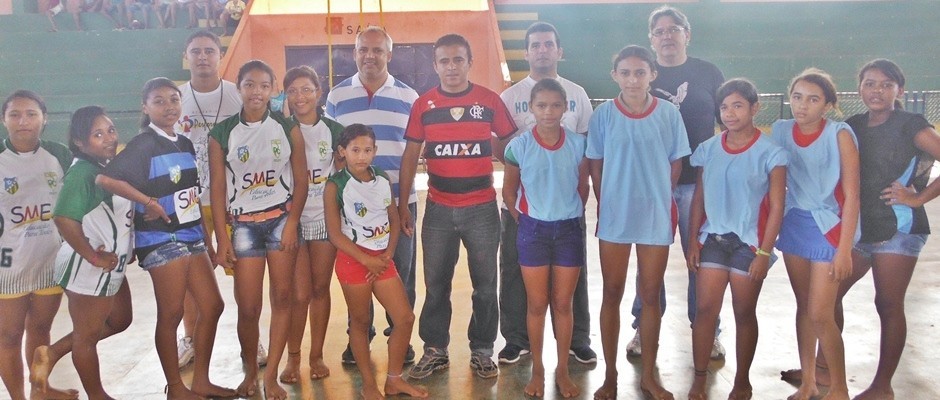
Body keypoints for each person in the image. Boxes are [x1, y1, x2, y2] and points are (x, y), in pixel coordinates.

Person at [782, 59, 940, 400]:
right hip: (857, 229)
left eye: (885, 84)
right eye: (870, 84)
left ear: (900, 89)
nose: (877, 90)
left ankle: (882, 386)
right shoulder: (850, 125)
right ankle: (820, 371)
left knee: (887, 302)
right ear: (859, 89)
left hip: (898, 228)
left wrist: (919, 197)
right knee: (825, 300)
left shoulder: (911, 124)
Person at [97, 77, 235, 399]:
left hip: (191, 236)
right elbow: (107, 178)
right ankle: (176, 387)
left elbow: (191, 195)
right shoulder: (143, 144)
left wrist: (207, 238)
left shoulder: (184, 144)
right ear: (145, 107)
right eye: (159, 101)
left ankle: (201, 380)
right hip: (160, 239)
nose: (168, 106)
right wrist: (147, 202)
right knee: (171, 314)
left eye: (174, 99)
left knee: (212, 306)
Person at [400, 33, 517, 380]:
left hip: (482, 208)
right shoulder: (423, 105)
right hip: (437, 208)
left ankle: (482, 350)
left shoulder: (489, 101)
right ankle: (435, 349)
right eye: (445, 61)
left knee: (485, 285)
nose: (452, 67)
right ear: (435, 65)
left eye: (458, 60)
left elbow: (511, 147)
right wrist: (401, 204)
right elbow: (410, 156)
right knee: (436, 285)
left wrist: (513, 192)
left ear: (469, 62)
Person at [626, 5, 727, 361]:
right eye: (659, 31)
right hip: (651, 185)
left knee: (701, 260)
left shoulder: (707, 73)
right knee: (648, 261)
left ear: (687, 34)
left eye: (674, 29)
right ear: (651, 40)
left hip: (698, 186)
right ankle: (644, 326)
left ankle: (707, 330)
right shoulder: (644, 76)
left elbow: (729, 122)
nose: (667, 36)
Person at [588, 45, 689, 400]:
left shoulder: (668, 114)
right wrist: (608, 200)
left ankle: (648, 375)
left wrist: (658, 195)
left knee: (650, 294)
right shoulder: (603, 116)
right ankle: (610, 376)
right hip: (615, 217)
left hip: (654, 217)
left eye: (640, 72)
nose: (633, 79)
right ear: (615, 75)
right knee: (612, 293)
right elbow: (595, 165)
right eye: (626, 72)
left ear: (652, 75)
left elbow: (676, 162)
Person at [496, 21, 596, 366]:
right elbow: (502, 148)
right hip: (526, 207)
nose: (542, 50)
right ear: (526, 52)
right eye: (535, 45)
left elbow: (587, 152)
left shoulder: (577, 94)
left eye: (548, 44)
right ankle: (516, 339)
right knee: (513, 270)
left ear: (559, 51)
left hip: (566, 209)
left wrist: (576, 202)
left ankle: (577, 340)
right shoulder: (509, 96)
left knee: (573, 275)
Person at [208, 60, 307, 400]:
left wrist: (292, 222)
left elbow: (302, 179)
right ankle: (251, 371)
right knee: (248, 307)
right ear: (239, 88)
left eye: (264, 85)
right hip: (244, 227)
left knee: (282, 298)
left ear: (272, 90)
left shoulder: (286, 126)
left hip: (280, 220)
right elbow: (218, 189)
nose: (257, 92)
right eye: (250, 84)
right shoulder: (221, 133)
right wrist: (222, 238)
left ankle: (272, 377)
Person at [685, 79, 787, 400]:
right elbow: (699, 199)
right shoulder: (708, 149)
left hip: (750, 246)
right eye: (724, 107)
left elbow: (777, 208)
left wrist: (763, 252)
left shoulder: (771, 153)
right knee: (705, 311)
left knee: (744, 313)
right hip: (713, 240)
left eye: (737, 105)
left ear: (755, 108)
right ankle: (699, 378)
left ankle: (742, 381)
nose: (729, 113)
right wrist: (692, 242)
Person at [325, 25, 420, 367]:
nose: (370, 56)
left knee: (401, 272)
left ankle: (401, 338)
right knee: (356, 276)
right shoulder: (336, 96)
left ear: (389, 55)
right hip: (352, 208)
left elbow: (411, 154)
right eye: (364, 49)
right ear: (354, 53)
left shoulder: (409, 97)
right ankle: (358, 339)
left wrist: (405, 201)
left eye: (378, 50)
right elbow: (334, 153)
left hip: (397, 203)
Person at [30, 106, 135, 400]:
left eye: (111, 130)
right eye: (97, 134)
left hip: (111, 264)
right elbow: (64, 218)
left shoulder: (104, 168)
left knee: (120, 320)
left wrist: (128, 246)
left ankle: (50, 354)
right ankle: (97, 395)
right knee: (87, 338)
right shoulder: (82, 173)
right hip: (88, 268)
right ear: (80, 141)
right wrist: (92, 256)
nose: (109, 138)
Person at [173, 29, 261, 371]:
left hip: (232, 196)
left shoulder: (236, 96)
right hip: (187, 201)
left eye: (210, 50)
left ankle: (251, 340)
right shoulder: (175, 98)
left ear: (220, 56)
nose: (203, 57)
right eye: (196, 51)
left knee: (243, 271)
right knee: (190, 274)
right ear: (187, 55)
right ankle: (190, 339)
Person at [770, 68, 859, 400]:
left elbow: (852, 196)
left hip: (828, 229)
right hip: (794, 225)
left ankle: (839, 388)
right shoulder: (780, 130)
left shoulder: (840, 135)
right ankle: (808, 382)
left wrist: (845, 249)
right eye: (796, 97)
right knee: (804, 307)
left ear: (828, 104)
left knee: (822, 313)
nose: (802, 106)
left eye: (812, 99)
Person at [324, 123, 428, 400]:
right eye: (355, 150)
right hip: (354, 261)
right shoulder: (335, 186)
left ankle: (394, 380)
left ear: (375, 151)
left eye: (367, 150)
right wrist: (365, 260)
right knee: (360, 321)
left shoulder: (381, 178)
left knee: (404, 318)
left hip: (381, 260)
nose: (361, 156)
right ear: (342, 151)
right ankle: (368, 383)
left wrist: (388, 254)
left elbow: (393, 219)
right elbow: (335, 234)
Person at [502, 78, 587, 399]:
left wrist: (570, 214)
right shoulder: (519, 147)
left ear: (565, 107)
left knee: (563, 305)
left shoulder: (579, 144)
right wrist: (522, 220)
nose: (548, 112)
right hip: (532, 231)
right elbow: (509, 191)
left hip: (567, 231)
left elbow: (583, 187)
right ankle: (538, 370)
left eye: (555, 105)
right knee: (537, 305)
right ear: (531, 109)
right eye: (541, 106)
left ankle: (562, 371)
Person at [0, 90, 76, 400]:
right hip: (9, 265)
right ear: (4, 120)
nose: (23, 121)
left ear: (44, 119)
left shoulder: (59, 155)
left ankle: (40, 391)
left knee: (41, 329)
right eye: (15, 114)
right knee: (8, 336)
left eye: (31, 114)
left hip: (50, 259)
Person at [278, 65, 343, 383]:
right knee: (298, 294)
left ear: (319, 93)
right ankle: (293, 358)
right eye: (292, 91)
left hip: (324, 220)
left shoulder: (333, 129)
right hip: (291, 221)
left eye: (306, 89)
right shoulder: (279, 128)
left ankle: (316, 355)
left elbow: (343, 176)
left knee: (320, 288)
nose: (299, 96)